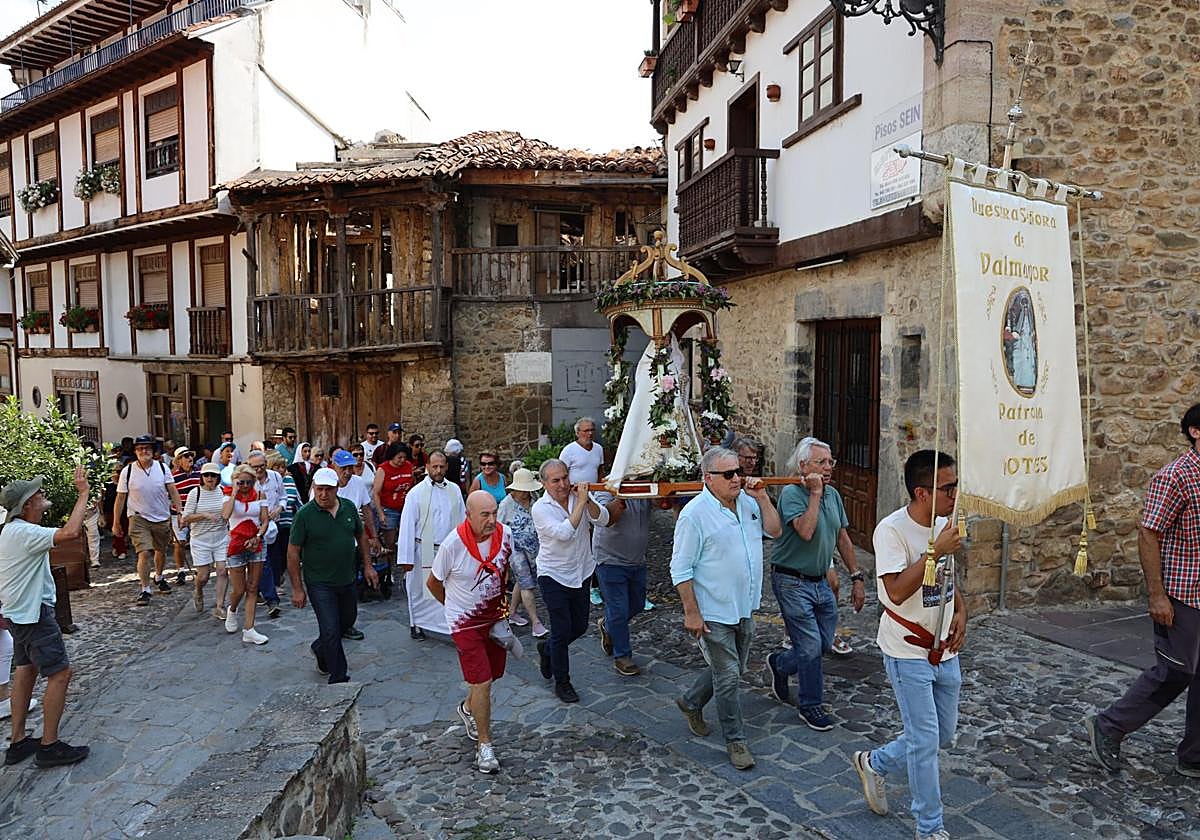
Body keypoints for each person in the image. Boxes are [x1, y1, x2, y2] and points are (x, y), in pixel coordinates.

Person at [852, 450, 966, 840]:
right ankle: (929, 826)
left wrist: (961, 611)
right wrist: (936, 551)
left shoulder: (947, 523)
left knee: (942, 735)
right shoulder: (891, 531)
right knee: (923, 741)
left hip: (944, 648)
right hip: (907, 649)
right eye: (948, 487)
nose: (955, 494)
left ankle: (875, 763)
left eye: (955, 485)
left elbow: (950, 577)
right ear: (921, 492)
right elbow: (896, 591)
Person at [1087, 404, 1200, 779]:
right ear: (1195, 432)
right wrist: (1157, 595)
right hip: (1183, 593)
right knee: (1175, 673)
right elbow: (1148, 531)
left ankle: (1194, 755)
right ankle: (1109, 725)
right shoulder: (1175, 477)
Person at [670, 446, 782, 771]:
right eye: (729, 474)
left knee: (733, 667)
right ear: (708, 478)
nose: (737, 478)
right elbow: (681, 568)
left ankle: (691, 701)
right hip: (713, 609)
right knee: (730, 676)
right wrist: (691, 611)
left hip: (744, 604)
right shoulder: (694, 515)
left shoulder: (747, 503)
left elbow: (774, 531)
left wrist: (762, 498)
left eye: (739, 472)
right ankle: (735, 740)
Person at [764, 437, 866, 730]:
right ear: (803, 466)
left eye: (830, 461)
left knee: (821, 644)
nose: (828, 467)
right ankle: (810, 705)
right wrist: (815, 493)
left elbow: (842, 538)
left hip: (820, 580)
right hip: (791, 580)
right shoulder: (792, 494)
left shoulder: (832, 495)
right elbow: (806, 532)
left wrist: (856, 576)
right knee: (809, 646)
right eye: (821, 462)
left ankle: (780, 664)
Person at [0, 467, 91, 768]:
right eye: (37, 494)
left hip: (17, 612)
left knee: (25, 671)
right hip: (33, 614)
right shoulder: (24, 532)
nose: (42, 496)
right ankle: (49, 746)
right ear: (26, 506)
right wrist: (83, 494)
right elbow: (70, 533)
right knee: (59, 674)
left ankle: (18, 741)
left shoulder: (11, 530)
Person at [427, 491, 513, 774]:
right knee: (483, 681)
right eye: (484, 515)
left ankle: (467, 709)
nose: (491, 520)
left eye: (494, 513)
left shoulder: (506, 536)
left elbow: (504, 573)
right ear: (469, 515)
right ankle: (485, 748)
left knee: (492, 677)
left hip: (493, 619)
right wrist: (454, 609)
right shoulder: (453, 544)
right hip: (465, 624)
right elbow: (433, 583)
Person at [288, 467, 378, 684]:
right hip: (319, 582)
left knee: (346, 622)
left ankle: (320, 648)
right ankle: (339, 678)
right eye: (319, 489)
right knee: (329, 628)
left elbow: (361, 536)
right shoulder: (305, 515)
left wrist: (368, 566)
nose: (323, 494)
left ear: (337, 489)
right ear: (313, 488)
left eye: (328, 489)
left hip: (347, 578)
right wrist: (298, 588)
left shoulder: (348, 508)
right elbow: (293, 552)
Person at [532, 458, 610, 704]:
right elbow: (565, 533)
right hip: (553, 574)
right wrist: (582, 503)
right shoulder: (540, 508)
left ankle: (548, 649)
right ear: (544, 483)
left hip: (582, 571)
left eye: (565, 477)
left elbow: (603, 519)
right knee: (562, 627)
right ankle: (562, 682)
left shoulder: (579, 497)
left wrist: (589, 503)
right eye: (556, 480)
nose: (563, 484)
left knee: (579, 627)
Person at [397, 451, 465, 640]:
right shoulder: (416, 493)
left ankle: (448, 625)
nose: (438, 470)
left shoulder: (454, 490)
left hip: (448, 549)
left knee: (448, 589)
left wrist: (465, 548)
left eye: (442, 466)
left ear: (447, 467)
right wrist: (405, 558)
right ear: (427, 467)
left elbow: (462, 520)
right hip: (425, 548)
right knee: (421, 590)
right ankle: (416, 623)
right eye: (434, 466)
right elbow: (408, 525)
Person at [113, 435, 183, 605]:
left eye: (147, 448)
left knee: (160, 550)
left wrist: (180, 512)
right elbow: (121, 498)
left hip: (161, 517)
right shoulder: (127, 472)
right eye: (140, 449)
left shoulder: (162, 468)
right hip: (138, 517)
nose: (144, 451)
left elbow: (173, 491)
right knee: (144, 552)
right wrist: (115, 522)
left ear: (153, 451)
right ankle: (145, 589)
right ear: (135, 452)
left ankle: (159, 577)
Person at [593, 488, 652, 676]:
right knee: (618, 609)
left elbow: (662, 502)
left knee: (636, 604)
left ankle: (608, 625)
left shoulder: (645, 487)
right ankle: (622, 656)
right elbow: (606, 518)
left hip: (637, 559)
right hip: (611, 560)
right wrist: (621, 496)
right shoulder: (607, 488)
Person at [558, 417, 605, 607]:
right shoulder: (569, 451)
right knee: (578, 538)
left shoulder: (599, 449)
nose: (589, 434)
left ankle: (596, 583)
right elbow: (560, 474)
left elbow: (600, 472)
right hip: (575, 500)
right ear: (577, 433)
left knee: (597, 539)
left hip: (594, 500)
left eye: (592, 430)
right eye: (585, 431)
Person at [221, 465, 270, 645]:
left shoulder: (260, 495)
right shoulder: (228, 495)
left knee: (253, 588)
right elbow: (225, 515)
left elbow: (264, 520)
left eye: (249, 482)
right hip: (236, 544)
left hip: (255, 543)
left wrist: (258, 536)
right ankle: (232, 609)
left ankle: (249, 629)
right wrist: (234, 492)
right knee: (239, 589)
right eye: (241, 482)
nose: (245, 486)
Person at [497, 468, 547, 638]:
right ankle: (536, 622)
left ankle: (512, 613)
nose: (526, 493)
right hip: (515, 550)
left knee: (523, 580)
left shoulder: (534, 498)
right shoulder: (506, 504)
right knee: (527, 583)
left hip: (534, 548)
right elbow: (498, 528)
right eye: (523, 490)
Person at [181, 462, 227, 616]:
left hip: (221, 536)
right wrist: (205, 515)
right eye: (206, 475)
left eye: (213, 475)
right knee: (203, 576)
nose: (210, 478)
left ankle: (220, 606)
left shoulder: (222, 492)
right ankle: (198, 590)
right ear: (202, 477)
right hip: (201, 539)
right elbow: (186, 517)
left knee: (222, 571)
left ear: (218, 477)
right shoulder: (195, 493)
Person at [248, 452, 285, 620]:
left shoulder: (276, 477)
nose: (259, 470)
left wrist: (279, 508)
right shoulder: (247, 482)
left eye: (262, 465)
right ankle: (272, 600)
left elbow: (283, 497)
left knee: (273, 560)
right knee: (264, 563)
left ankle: (263, 591)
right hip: (255, 528)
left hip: (273, 527)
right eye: (255, 467)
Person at [372, 442, 414, 557]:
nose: (402, 460)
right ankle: (392, 563)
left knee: (407, 537)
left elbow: (412, 485)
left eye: (404, 457)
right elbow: (375, 493)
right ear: (392, 456)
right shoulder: (383, 469)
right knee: (390, 541)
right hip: (389, 509)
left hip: (405, 507)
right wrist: (380, 513)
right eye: (399, 457)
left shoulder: (408, 466)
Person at [170, 446, 201, 587]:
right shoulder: (172, 477)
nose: (190, 458)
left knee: (197, 541)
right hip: (178, 513)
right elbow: (169, 496)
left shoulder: (200, 474)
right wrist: (178, 512)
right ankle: (180, 570)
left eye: (190, 455)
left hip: (196, 513)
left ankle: (199, 567)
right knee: (180, 543)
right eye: (186, 456)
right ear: (179, 460)